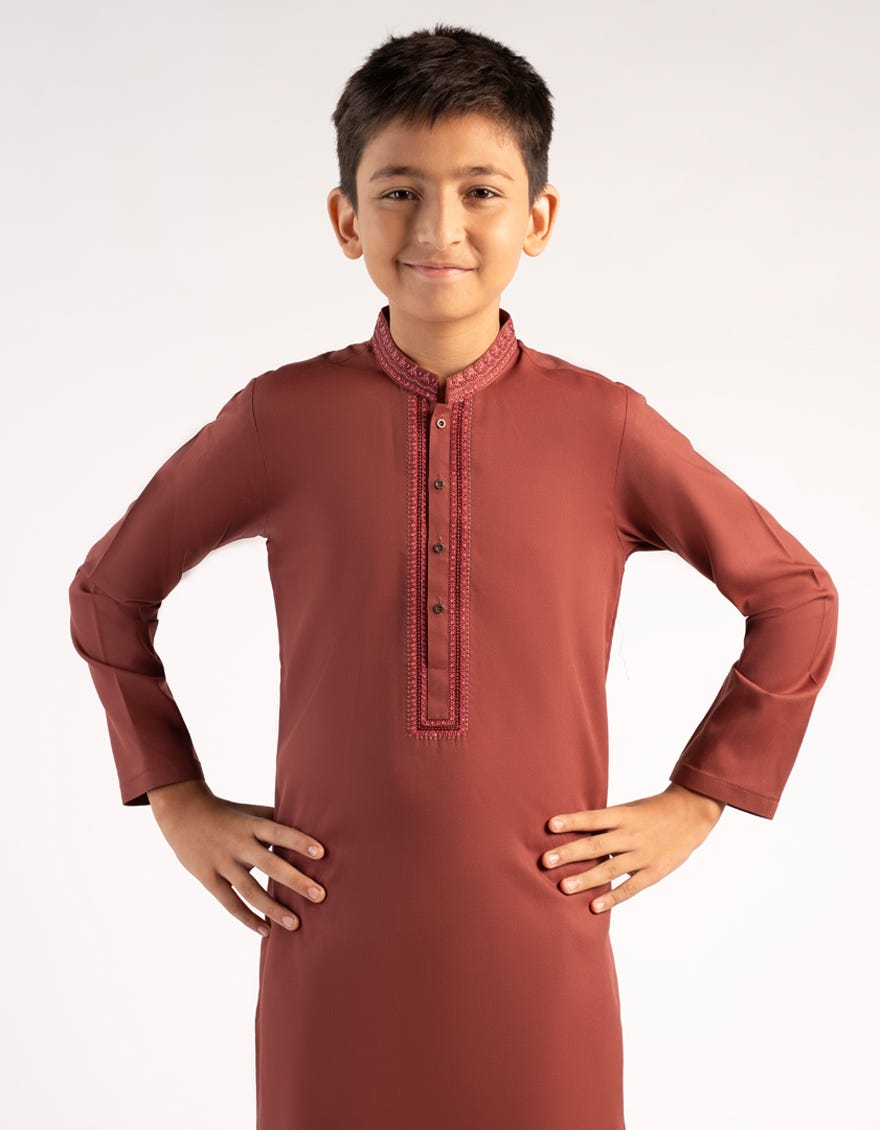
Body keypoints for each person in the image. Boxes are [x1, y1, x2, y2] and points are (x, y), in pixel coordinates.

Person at [68, 23, 839, 1130]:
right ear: (346, 219)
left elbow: (795, 599)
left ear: (538, 217)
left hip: (541, 941)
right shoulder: (280, 419)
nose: (439, 228)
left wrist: (698, 798)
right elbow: (108, 593)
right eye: (398, 192)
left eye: (480, 191)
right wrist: (176, 798)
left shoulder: (606, 427)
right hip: (331, 940)